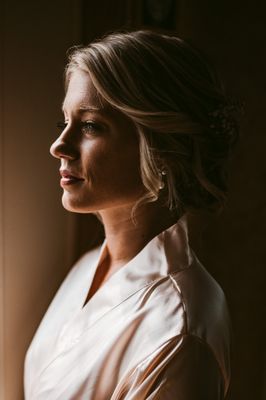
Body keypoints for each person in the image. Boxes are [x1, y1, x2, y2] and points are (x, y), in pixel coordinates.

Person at [24, 30, 239, 399]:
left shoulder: (178, 332)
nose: (59, 146)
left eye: (90, 125)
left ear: (160, 145)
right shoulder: (89, 266)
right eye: (65, 123)